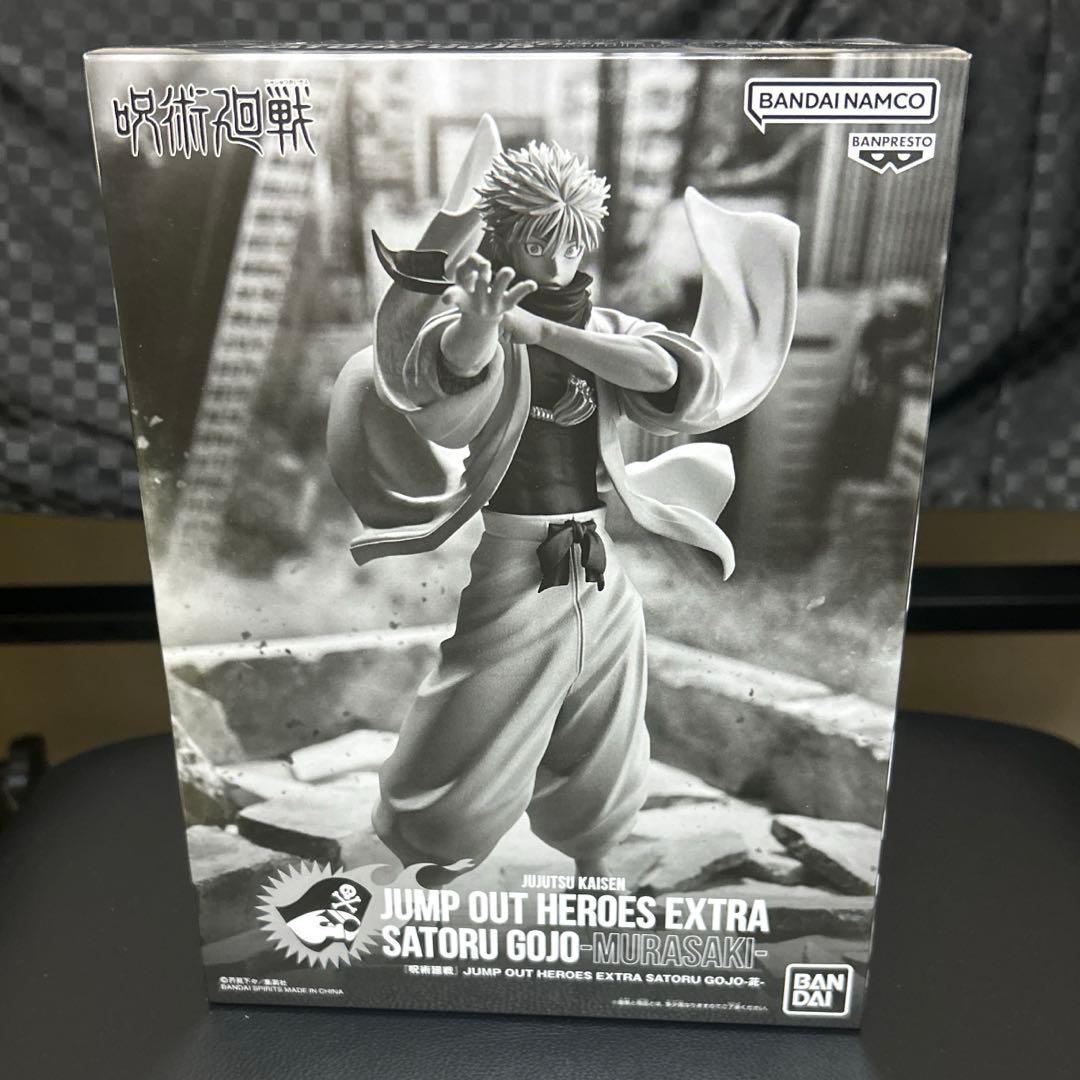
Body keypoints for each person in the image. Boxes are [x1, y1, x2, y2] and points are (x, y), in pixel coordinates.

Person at [328, 122, 799, 883]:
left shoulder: (601, 328)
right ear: (503, 241)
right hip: (518, 556)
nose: (557, 262)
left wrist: (544, 329)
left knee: (605, 715)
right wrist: (485, 327)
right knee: (470, 711)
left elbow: (665, 374)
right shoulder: (479, 319)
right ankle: (428, 852)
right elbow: (447, 382)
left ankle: (595, 851)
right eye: (539, 245)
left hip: (596, 559)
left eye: (572, 244)